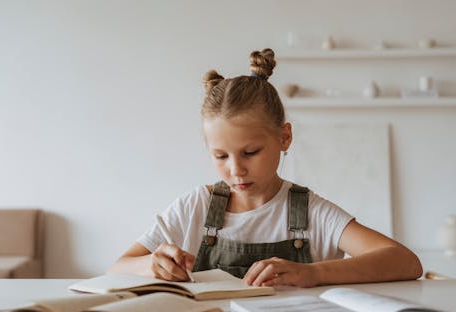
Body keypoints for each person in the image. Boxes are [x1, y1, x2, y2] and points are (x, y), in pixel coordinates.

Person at [108, 48, 423, 288]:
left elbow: (406, 262)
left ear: (284, 137)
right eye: (220, 156)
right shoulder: (195, 207)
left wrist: (313, 272)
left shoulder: (310, 212)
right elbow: (117, 267)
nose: (236, 170)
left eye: (250, 152)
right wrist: (151, 265)